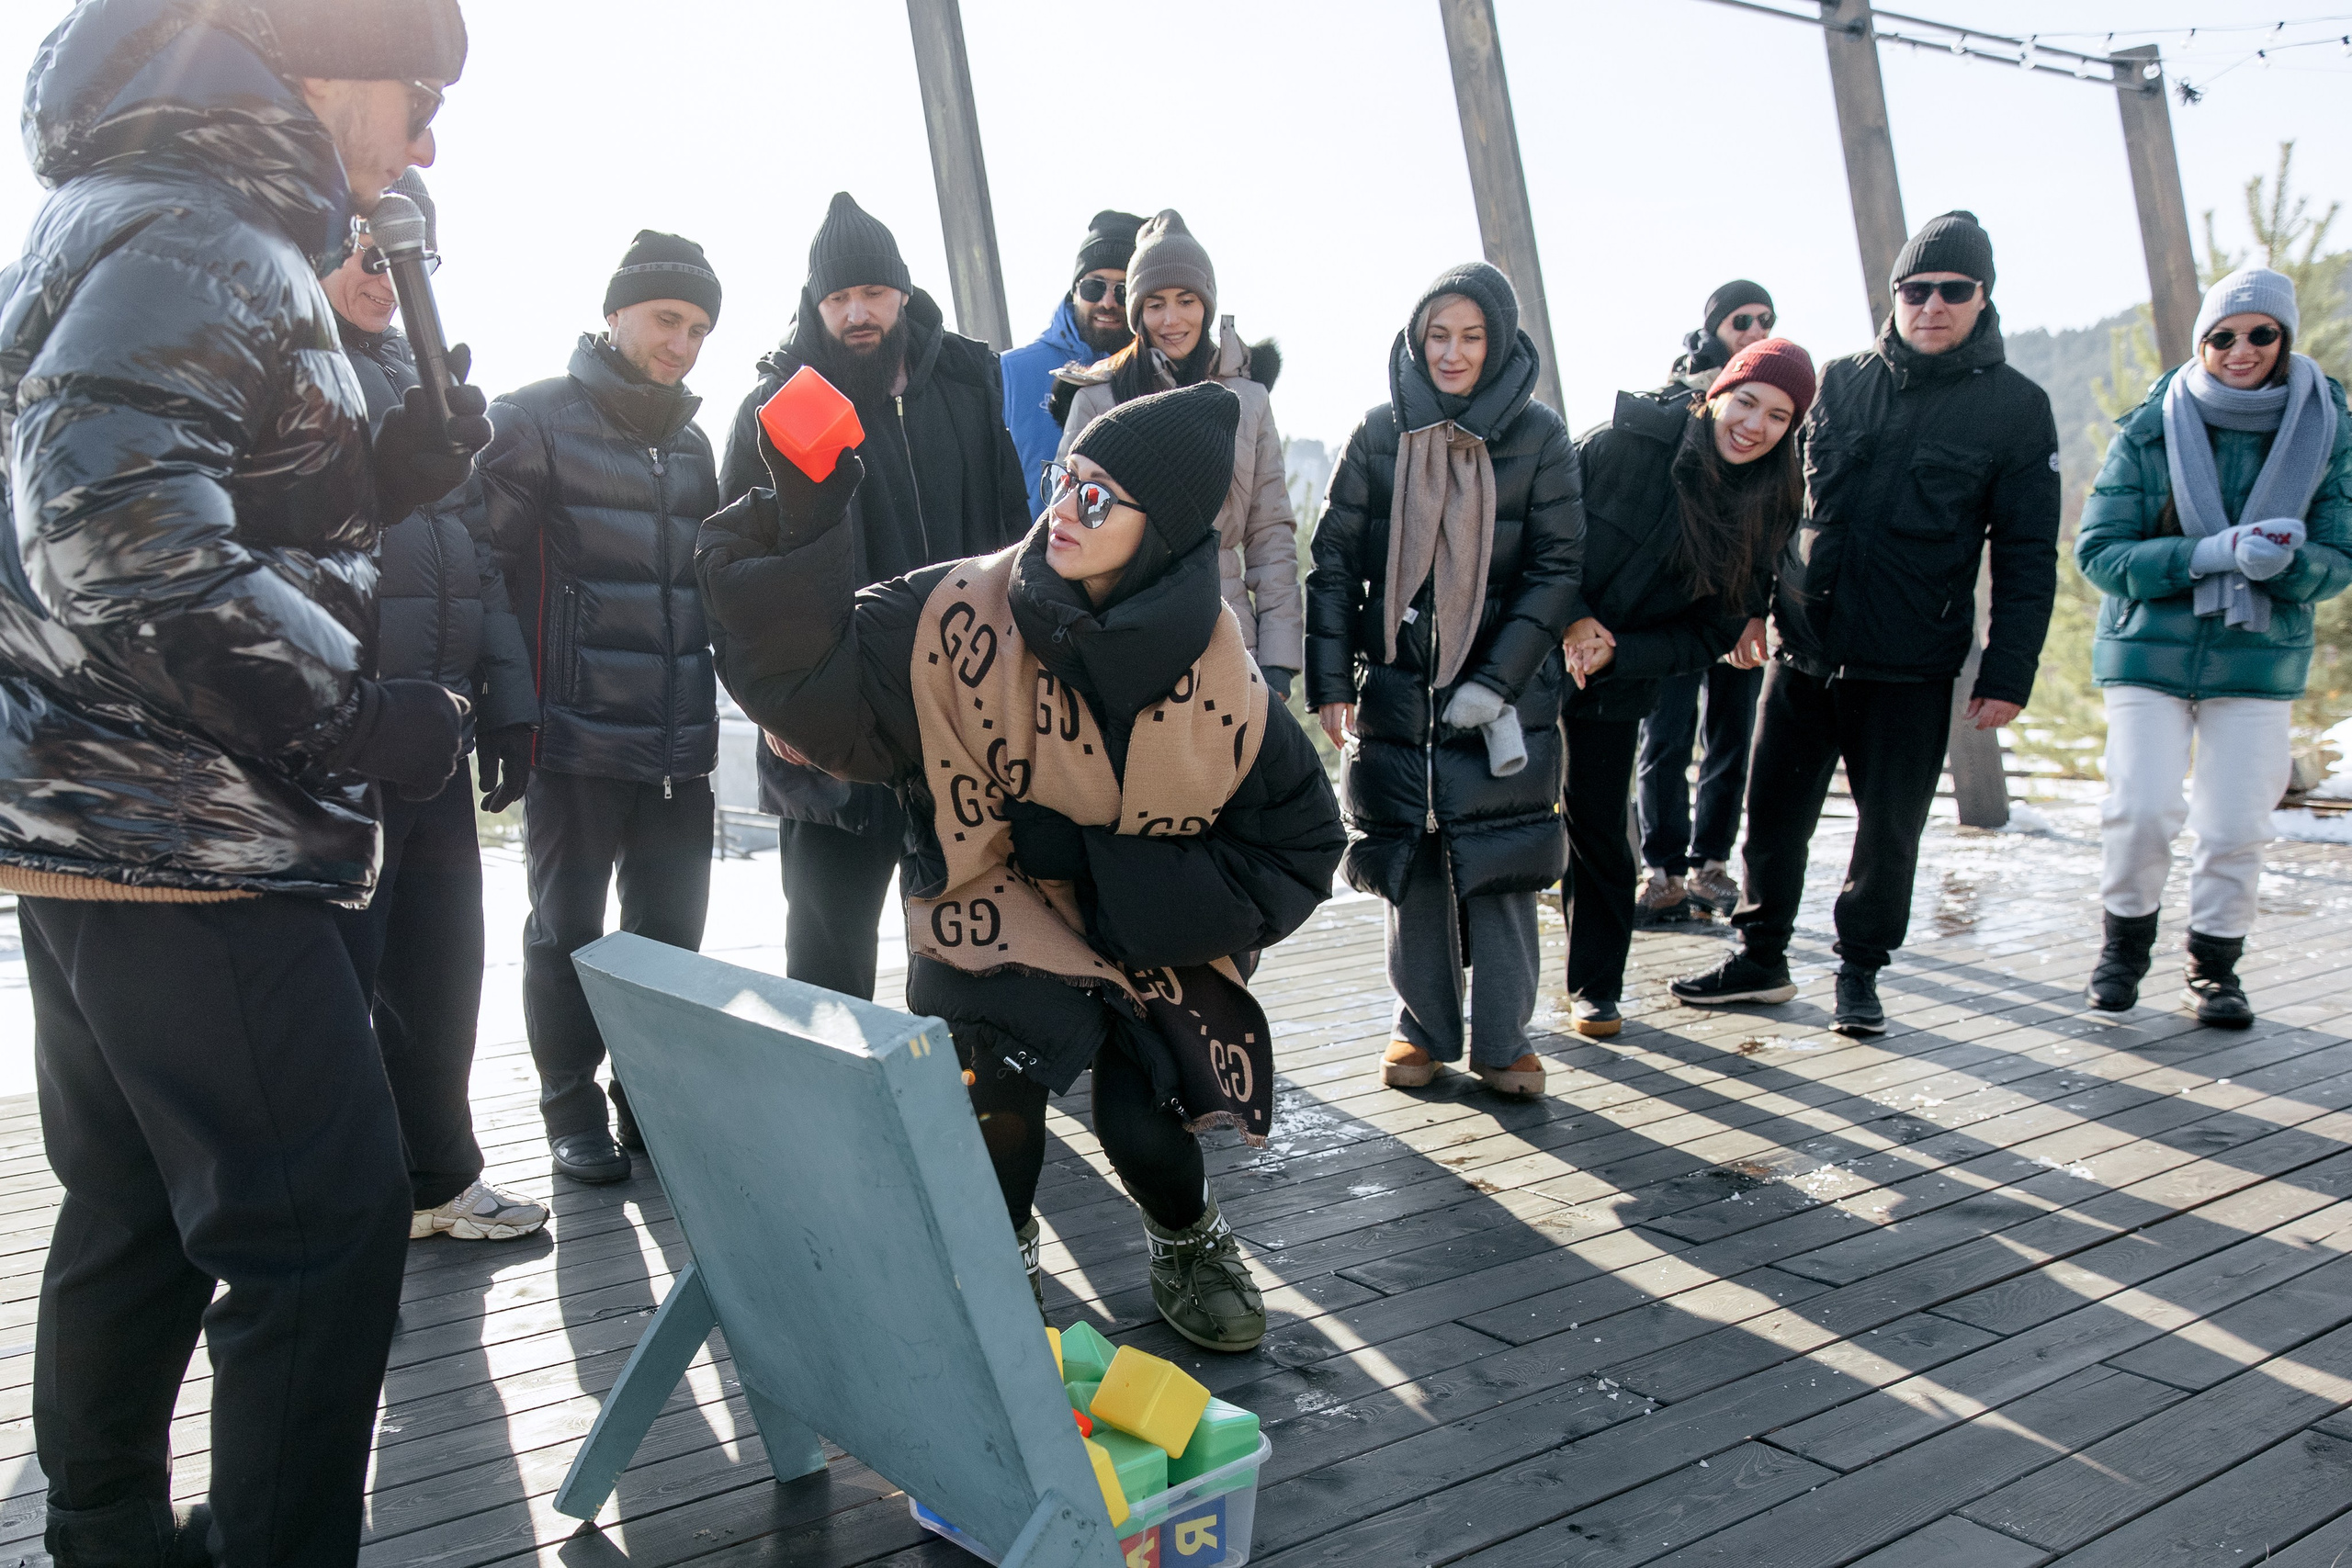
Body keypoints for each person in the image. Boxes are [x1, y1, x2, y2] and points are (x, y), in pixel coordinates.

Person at [0, 1, 483, 1562]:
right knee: (320, 1231)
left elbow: (171, 480)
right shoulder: (206, 230)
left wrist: (377, 461)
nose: (425, 137)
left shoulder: (136, 202)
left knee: (136, 1201)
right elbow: (115, 529)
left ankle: (109, 1534)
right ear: (317, 57)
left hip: (95, 817)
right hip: (193, 826)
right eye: (414, 94)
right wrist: (354, 713)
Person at [697, 380, 1344, 1351]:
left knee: (1141, 1128)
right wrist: (803, 504)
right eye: (1064, 480)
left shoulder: (1222, 680)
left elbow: (1299, 845)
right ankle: (992, 1264)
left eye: (1098, 498)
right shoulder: (958, 610)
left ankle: (1189, 1235)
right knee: (988, 1105)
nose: (1063, 513)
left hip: (1146, 932)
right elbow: (820, 681)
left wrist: (1111, 869)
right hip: (987, 902)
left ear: (1161, 529)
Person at [1671, 211, 2061, 1035]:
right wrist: (1746, 606)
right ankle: (1761, 957)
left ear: (1983, 297)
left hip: (1912, 664)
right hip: (1804, 652)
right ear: (1895, 295)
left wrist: (2009, 670)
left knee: (1889, 835)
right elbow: (1772, 506)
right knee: (1771, 819)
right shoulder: (1840, 382)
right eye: (1915, 289)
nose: (1932, 304)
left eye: (1952, 290)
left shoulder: (2017, 410)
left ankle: (1860, 971)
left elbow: (2027, 553)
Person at [717, 192, 1029, 1002]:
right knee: (828, 958)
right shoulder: (774, 406)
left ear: (902, 293)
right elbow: (731, 583)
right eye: (838, 297)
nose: (856, 313)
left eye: (873, 294)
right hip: (827, 723)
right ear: (815, 304)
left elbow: (1013, 537)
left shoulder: (967, 387)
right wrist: (775, 708)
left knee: (974, 940)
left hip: (962, 715)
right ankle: (835, 1122)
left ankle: (981, 1107)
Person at [323, 170, 547, 1243]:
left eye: (403, 255)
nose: (382, 274)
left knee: (441, 968)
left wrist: (506, 700)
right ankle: (343, 1208)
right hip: (338, 738)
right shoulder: (286, 368)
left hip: (435, 732)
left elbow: (478, 558)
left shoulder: (425, 379)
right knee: (335, 989)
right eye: (360, 246)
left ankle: (437, 1182)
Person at [476, 231, 723, 1184]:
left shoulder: (697, 443)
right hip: (572, 736)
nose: (682, 344)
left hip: (679, 744)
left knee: (671, 943)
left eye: (699, 328)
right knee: (567, 932)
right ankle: (568, 1108)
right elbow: (483, 572)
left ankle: (647, 1103)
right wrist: (508, 708)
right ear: (615, 312)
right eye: (667, 319)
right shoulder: (531, 420)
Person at [1305, 263, 1583, 1097]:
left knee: (1502, 862)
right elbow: (1333, 562)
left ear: (1498, 341)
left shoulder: (1539, 435)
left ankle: (1505, 1040)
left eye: (1471, 336)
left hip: (1505, 698)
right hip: (1399, 686)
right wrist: (1331, 682)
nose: (1453, 353)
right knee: (1411, 859)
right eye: (1438, 336)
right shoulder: (1380, 432)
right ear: (1416, 339)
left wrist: (1495, 681)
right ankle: (1421, 1026)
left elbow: (1557, 568)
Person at [2076, 265, 2352, 1026]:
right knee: (2142, 807)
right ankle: (2122, 949)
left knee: (2236, 824)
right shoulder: (2151, 425)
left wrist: (2288, 566)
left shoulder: (2328, 429)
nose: (2241, 349)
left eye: (2261, 334)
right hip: (2147, 655)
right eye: (2222, 336)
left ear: (2284, 339)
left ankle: (2214, 969)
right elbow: (2099, 553)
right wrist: (2208, 554)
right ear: (2202, 340)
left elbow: (2341, 555)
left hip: (2257, 658)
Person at [1562, 341, 1814, 1038]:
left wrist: (1620, 650)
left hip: (1619, 674)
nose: (1754, 424)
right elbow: (1539, 534)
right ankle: (1465, 968)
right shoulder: (1623, 442)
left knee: (1601, 830)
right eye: (1747, 401)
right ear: (1716, 394)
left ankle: (1595, 986)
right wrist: (1571, 617)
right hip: (1533, 642)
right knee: (1495, 812)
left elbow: (1712, 634)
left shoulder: (1766, 510)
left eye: (1777, 416)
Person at [1054, 210, 1304, 702]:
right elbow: (1061, 519)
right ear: (1137, 313)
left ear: (1207, 306)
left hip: (1227, 631)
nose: (1172, 320)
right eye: (1155, 304)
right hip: (1122, 632)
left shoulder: (1248, 401)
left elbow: (1269, 532)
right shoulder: (1098, 398)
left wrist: (1277, 659)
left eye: (1186, 301)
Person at [1636, 278, 1781, 922]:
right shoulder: (1678, 396)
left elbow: (1777, 514)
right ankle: (1660, 865)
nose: (1753, 328)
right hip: (1672, 604)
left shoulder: (1782, 408)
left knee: (1730, 731)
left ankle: (1709, 863)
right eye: (1741, 318)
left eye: (1765, 320)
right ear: (1716, 325)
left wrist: (1759, 605)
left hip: (1738, 597)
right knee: (1665, 734)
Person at [1002, 209, 1143, 513]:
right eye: (1094, 286)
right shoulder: (1011, 371)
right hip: (1033, 554)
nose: (1107, 302)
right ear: (1075, 289)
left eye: (1122, 291)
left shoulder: (1153, 375)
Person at [1664, 279, 1777, 396]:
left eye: (1765, 320)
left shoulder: (1781, 386)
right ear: (1715, 327)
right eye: (1742, 321)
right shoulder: (1664, 404)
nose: (1754, 332)